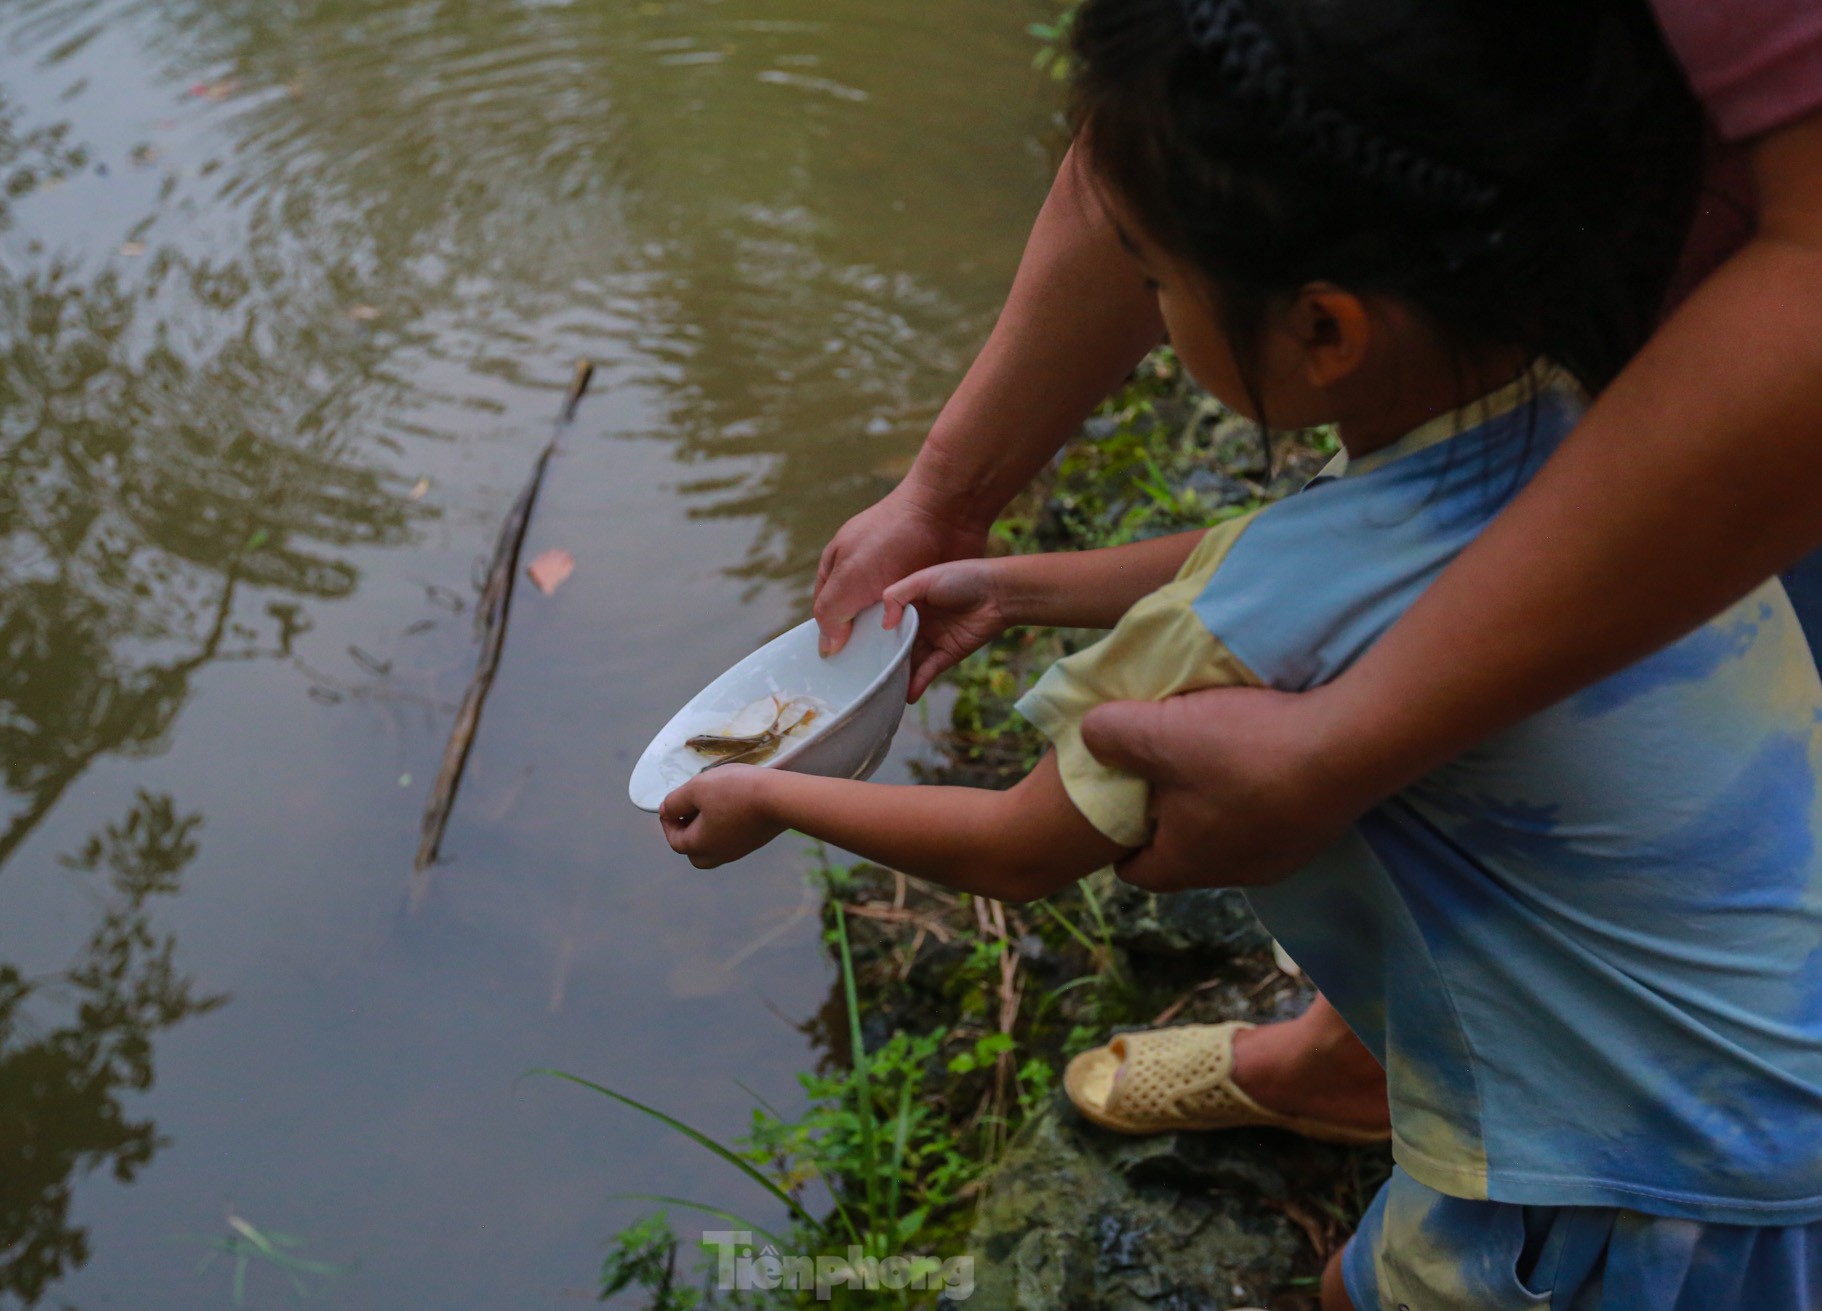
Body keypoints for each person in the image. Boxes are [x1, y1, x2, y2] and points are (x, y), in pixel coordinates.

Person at [664, 0, 1822, 1303]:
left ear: (1323, 332)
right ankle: (1361, 1075)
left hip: (1641, 1182)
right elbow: (1294, 554)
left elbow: (1013, 850)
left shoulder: (1247, 622)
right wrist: (1009, 583)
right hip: (1776, 1041)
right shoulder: (1609, 446)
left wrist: (769, 795)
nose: (1151, 306)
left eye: (1156, 281)